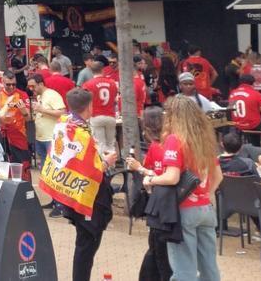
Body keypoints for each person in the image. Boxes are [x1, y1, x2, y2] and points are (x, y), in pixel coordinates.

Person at [40, 88, 115, 281]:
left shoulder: (63, 123)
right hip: (87, 198)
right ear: (89, 106)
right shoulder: (81, 134)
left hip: (72, 193)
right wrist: (107, 162)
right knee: (86, 246)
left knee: (84, 245)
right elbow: (93, 169)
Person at [147, 95, 222, 281]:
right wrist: (205, 195)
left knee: (184, 269)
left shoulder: (175, 139)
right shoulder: (205, 138)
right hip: (206, 208)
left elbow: (172, 177)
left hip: (184, 210)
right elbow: (219, 176)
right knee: (209, 267)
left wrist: (151, 179)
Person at [125, 106, 174, 281]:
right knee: (157, 251)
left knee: (159, 254)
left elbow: (159, 175)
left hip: (161, 208)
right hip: (167, 207)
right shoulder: (166, 144)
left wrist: (139, 168)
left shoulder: (160, 147)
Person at [81, 60, 119, 156]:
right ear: (103, 70)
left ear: (91, 70)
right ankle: (112, 165)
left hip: (96, 116)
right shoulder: (112, 83)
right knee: (111, 143)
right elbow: (115, 100)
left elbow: (84, 101)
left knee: (100, 144)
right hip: (111, 116)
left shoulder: (88, 84)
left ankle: (103, 168)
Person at [28, 74, 65, 162]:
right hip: (40, 137)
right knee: (44, 165)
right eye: (29, 87)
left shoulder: (52, 94)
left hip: (51, 138)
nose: (31, 89)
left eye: (33, 86)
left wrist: (42, 110)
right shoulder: (39, 96)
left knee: (52, 164)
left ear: (41, 84)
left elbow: (63, 113)